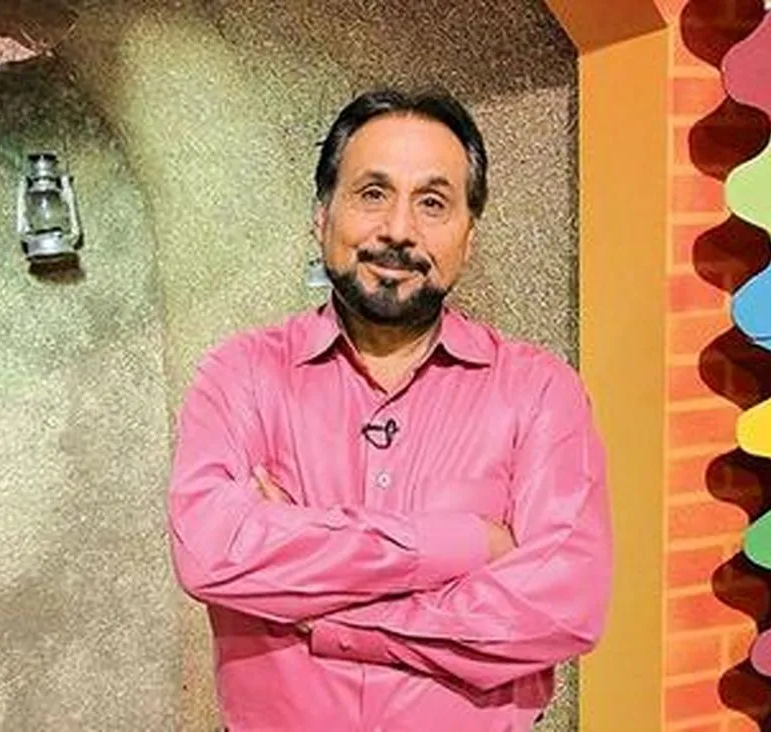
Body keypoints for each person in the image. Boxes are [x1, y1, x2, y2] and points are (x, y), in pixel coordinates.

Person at [166, 88, 612, 731]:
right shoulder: (241, 376)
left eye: (433, 203)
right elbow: (211, 553)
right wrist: (459, 543)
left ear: (469, 236)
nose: (399, 230)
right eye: (372, 193)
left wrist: (327, 609)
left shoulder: (540, 391)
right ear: (322, 215)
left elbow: (563, 607)